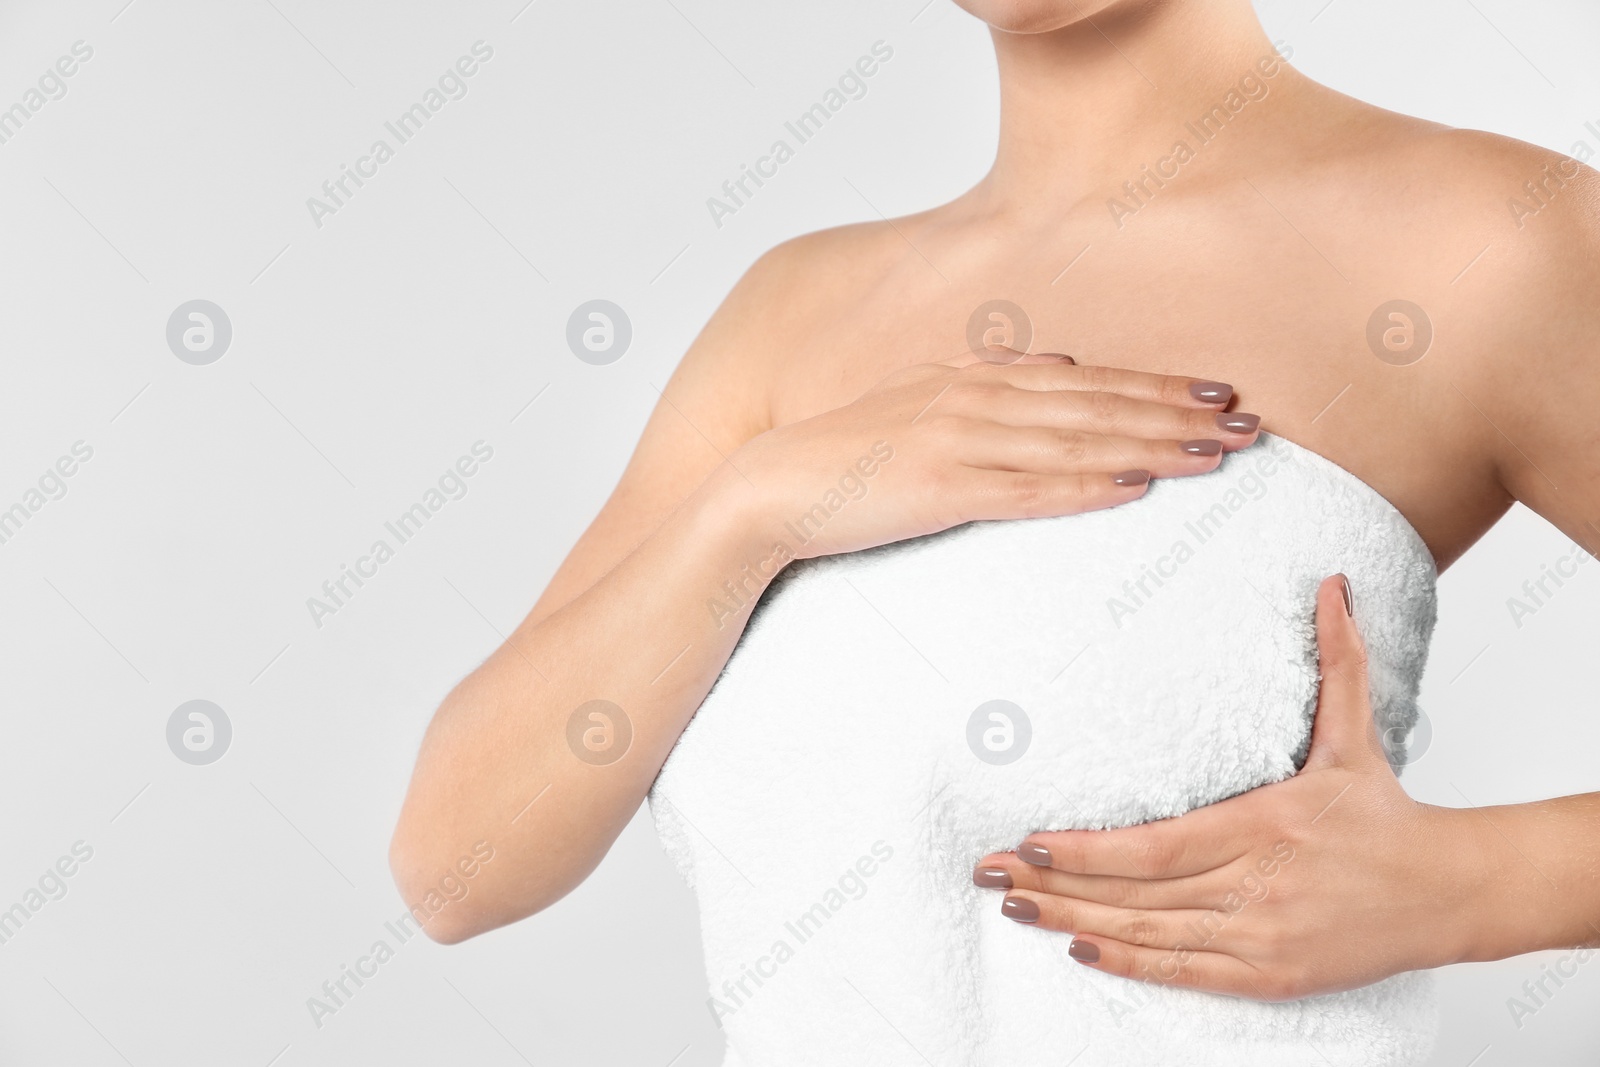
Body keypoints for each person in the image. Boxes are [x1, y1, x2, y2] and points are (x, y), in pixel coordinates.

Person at [390, 0, 1600, 1061]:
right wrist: (756, 505)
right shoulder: (794, 313)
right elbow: (456, 865)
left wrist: (1477, 885)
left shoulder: (1481, 240)